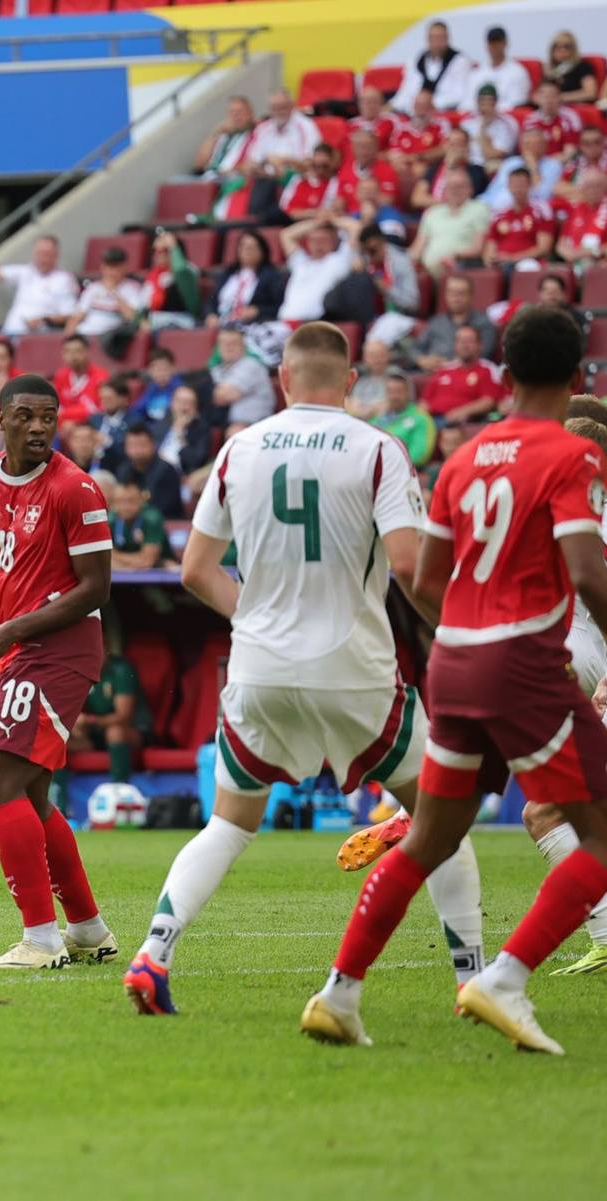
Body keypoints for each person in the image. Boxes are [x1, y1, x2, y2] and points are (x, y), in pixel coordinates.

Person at [124, 321, 483, 1017]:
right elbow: (408, 564)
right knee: (440, 819)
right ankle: (474, 976)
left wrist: (254, 616)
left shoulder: (237, 449)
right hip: (355, 670)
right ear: (350, 383)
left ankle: (154, 952)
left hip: (258, 668)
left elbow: (195, 570)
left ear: (284, 380)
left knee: (228, 823)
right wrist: (459, 631)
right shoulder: (377, 448)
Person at [301, 307, 607, 1055]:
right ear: (577, 378)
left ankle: (339, 993)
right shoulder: (573, 456)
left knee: (429, 837)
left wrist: (467, 631)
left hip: (454, 661)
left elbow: (422, 574)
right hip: (524, 660)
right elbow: (588, 569)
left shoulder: (465, 456)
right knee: (600, 831)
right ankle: (505, 978)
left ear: (501, 375)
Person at [340, 403, 607, 978]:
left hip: (505, 653)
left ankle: (427, 820)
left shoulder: (487, 475)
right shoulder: (573, 499)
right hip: (566, 655)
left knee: (546, 807)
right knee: (553, 808)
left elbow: (433, 572)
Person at [0, 373, 116, 969]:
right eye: (24, 415)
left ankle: (40, 940)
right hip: (17, 649)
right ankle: (86, 928)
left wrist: (8, 632)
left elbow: (96, 588)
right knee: (31, 791)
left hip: (62, 646)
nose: (38, 427)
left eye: (48, 416)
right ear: (0, 419)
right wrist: (6, 640)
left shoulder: (77, 489)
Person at [66, 648, 152, 783]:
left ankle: (120, 790)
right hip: (98, 733)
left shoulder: (121, 669)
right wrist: (76, 724)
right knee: (57, 739)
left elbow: (123, 717)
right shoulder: (80, 673)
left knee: (115, 732)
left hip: (134, 731)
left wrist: (90, 721)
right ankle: (57, 799)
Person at [408, 169, 490, 277]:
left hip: (460, 263)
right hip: (427, 267)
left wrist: (456, 256)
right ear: (445, 191)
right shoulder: (432, 212)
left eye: (460, 186)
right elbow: (418, 247)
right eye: (451, 186)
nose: (455, 190)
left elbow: (478, 247)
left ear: (470, 189)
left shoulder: (480, 209)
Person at [421, 324, 508, 423]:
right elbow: (424, 401)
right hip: (431, 420)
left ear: (480, 345)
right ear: (455, 345)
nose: (465, 345)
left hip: (459, 423)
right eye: (461, 341)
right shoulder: (444, 369)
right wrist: (422, 417)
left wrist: (464, 411)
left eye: (469, 341)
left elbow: (488, 402)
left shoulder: (487, 369)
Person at [277, 216, 354, 323]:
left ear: (334, 241)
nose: (318, 244)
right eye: (313, 240)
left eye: (323, 240)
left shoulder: (339, 260)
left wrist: (332, 220)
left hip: (313, 322)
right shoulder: (300, 262)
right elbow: (286, 234)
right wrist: (316, 222)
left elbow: (355, 228)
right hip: (284, 321)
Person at [413, 274, 497, 370]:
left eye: (461, 293)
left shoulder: (484, 323)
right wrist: (422, 360)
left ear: (471, 295)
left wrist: (448, 364)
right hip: (430, 372)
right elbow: (416, 349)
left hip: (465, 374)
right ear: (446, 295)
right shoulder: (436, 321)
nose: (456, 298)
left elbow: (484, 354)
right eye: (452, 293)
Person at [390, 21, 474, 113]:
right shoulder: (416, 61)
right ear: (427, 39)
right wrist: (393, 105)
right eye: (433, 37)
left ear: (447, 38)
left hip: (443, 112)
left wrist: (430, 105)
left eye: (440, 38)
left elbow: (459, 94)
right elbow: (406, 91)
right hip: (415, 113)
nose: (437, 42)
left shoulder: (459, 61)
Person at [206, 229, 284, 329]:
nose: (247, 250)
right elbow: (211, 301)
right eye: (243, 246)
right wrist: (211, 315)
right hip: (221, 324)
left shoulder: (270, 275)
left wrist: (258, 310)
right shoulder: (228, 274)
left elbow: (279, 305)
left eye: (252, 247)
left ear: (262, 251)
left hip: (251, 325)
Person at [483, 167, 556, 271]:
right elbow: (490, 248)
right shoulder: (499, 215)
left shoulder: (541, 211)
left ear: (530, 185)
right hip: (501, 265)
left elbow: (544, 248)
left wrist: (512, 258)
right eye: (513, 184)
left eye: (521, 184)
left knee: (524, 267)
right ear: (508, 186)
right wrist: (490, 261)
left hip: (529, 263)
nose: (517, 188)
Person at [210, 326, 277, 438]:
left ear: (243, 346)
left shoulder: (251, 365)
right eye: (224, 343)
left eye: (233, 343)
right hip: (226, 423)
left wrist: (205, 394)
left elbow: (224, 396)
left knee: (236, 432)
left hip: (256, 424)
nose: (228, 347)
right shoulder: (217, 369)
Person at [240, 88, 321, 180]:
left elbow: (310, 165)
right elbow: (251, 161)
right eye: (274, 108)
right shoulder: (263, 128)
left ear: (292, 106)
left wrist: (284, 160)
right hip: (264, 180)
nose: (279, 112)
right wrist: (254, 168)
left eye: (283, 107)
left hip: (294, 180)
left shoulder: (305, 127)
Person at [479, 126, 563, 211]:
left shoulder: (553, 165)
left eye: (537, 144)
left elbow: (542, 194)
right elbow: (493, 190)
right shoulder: (510, 163)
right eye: (528, 144)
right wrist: (480, 204)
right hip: (493, 210)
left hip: (524, 212)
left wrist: (533, 166)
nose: (532, 148)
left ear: (545, 146)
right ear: (521, 146)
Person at [65, 247, 143, 338]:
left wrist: (113, 291)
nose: (111, 272)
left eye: (115, 267)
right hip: (85, 334)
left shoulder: (133, 287)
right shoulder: (93, 288)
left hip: (111, 338)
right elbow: (77, 317)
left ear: (124, 267)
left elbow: (133, 318)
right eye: (108, 266)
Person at [370, 370, 436, 466]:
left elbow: (421, 454)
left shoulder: (421, 418)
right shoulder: (378, 417)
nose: (394, 396)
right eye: (390, 392)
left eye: (399, 392)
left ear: (408, 392)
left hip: (400, 472)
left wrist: (389, 466)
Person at [116, 425, 183, 519]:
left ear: (153, 445)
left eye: (142, 445)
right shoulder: (123, 470)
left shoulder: (167, 470)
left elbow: (166, 508)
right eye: (132, 445)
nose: (137, 450)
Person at [107, 478, 174, 572]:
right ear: (114, 503)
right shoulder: (110, 520)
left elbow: (147, 561)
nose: (126, 507)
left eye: (131, 501)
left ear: (142, 501)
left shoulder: (152, 518)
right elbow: (105, 559)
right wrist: (130, 567)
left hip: (157, 570)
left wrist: (116, 557)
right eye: (120, 501)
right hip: (124, 573)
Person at [138, 231, 200, 331]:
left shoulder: (187, 270)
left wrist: (173, 246)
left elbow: (180, 270)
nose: (158, 254)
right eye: (155, 250)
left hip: (179, 323)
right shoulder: (154, 275)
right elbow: (143, 307)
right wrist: (142, 322)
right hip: (155, 324)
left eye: (164, 250)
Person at [411, 128, 487, 208]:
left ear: (466, 147)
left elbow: (459, 199)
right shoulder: (434, 168)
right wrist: (441, 204)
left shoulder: (476, 171)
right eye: (450, 144)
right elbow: (417, 199)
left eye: (458, 144)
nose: (453, 148)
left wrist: (451, 165)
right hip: (433, 216)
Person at [463, 26, 532, 111]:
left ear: (505, 44)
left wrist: (490, 111)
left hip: (505, 120)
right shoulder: (478, 72)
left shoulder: (517, 71)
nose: (495, 47)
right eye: (491, 43)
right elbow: (467, 101)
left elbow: (517, 103)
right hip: (478, 119)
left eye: (498, 43)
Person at [153, 385, 212, 477]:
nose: (184, 408)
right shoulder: (162, 422)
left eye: (190, 403)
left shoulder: (202, 429)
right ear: (172, 403)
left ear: (196, 408)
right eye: (181, 402)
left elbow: (195, 462)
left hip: (180, 475)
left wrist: (179, 433)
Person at [51, 334, 109, 426]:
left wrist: (71, 419)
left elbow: (100, 410)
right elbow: (56, 408)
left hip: (91, 427)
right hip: (64, 427)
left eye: (78, 351)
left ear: (87, 352)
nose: (73, 356)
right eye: (67, 351)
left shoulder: (101, 376)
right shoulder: (61, 376)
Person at [387, 90, 450, 173]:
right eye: (418, 105)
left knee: (420, 169)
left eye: (425, 107)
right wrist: (407, 161)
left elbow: (445, 149)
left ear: (433, 108)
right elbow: (393, 153)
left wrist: (418, 157)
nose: (421, 111)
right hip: (405, 168)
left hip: (431, 169)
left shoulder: (441, 124)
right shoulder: (402, 128)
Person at [556, 169, 607, 271]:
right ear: (582, 189)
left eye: (598, 186)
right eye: (589, 187)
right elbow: (560, 244)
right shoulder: (575, 210)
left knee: (588, 266)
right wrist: (566, 252)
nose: (594, 190)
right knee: (548, 273)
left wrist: (592, 251)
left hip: (598, 263)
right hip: (572, 261)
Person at [336, 130, 401, 210]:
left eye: (368, 146)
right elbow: (340, 199)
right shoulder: (345, 169)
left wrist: (365, 200)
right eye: (359, 146)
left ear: (376, 148)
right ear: (352, 148)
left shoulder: (387, 170)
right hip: (351, 217)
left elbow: (388, 200)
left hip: (379, 214)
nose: (364, 151)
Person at [193, 95, 255, 177]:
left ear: (250, 114)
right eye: (231, 112)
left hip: (230, 177)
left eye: (239, 112)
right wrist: (214, 133)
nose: (235, 116)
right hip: (209, 175)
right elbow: (199, 164)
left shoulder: (254, 133)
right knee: (176, 180)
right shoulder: (222, 134)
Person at [460, 85, 518, 172]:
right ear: (477, 102)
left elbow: (491, 155)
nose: (486, 106)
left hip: (488, 166)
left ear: (495, 102)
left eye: (490, 102)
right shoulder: (467, 122)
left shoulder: (506, 124)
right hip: (468, 163)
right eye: (482, 101)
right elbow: (459, 148)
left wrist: (482, 128)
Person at [523, 80, 582, 162]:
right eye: (545, 96)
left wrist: (550, 165)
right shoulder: (530, 120)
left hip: (563, 163)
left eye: (553, 96)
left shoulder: (570, 117)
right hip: (537, 163)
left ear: (559, 97)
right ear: (537, 98)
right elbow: (528, 151)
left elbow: (570, 152)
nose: (549, 100)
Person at [278, 144, 340, 220]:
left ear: (331, 164)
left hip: (311, 223)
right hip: (288, 219)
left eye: (324, 166)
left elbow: (322, 213)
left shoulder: (333, 183)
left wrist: (303, 213)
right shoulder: (298, 179)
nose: (320, 170)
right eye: (315, 165)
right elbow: (283, 206)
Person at [88, 376, 134, 475]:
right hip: (90, 469)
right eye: (102, 398)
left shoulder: (134, 422)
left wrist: (108, 442)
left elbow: (131, 455)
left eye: (109, 398)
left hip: (117, 472)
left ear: (122, 398)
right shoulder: (94, 420)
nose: (104, 402)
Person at [539, 31, 598, 105]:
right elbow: (539, 93)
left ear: (573, 49)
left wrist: (561, 97)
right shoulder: (549, 69)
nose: (561, 50)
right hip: (552, 108)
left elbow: (590, 93)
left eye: (566, 46)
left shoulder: (582, 66)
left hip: (575, 106)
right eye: (556, 46)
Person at [555, 125, 607, 201]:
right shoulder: (576, 163)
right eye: (586, 143)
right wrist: (587, 196)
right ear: (580, 146)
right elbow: (557, 187)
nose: (592, 147)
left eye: (597, 142)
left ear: (603, 143)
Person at [131, 347, 182, 423]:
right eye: (157, 370)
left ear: (173, 369)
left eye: (164, 369)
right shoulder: (151, 388)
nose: (160, 374)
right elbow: (138, 411)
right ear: (150, 371)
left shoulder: (181, 389)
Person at [347, 339, 394, 418]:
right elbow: (353, 403)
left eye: (381, 355)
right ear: (365, 358)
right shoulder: (362, 378)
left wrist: (365, 412)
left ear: (389, 355)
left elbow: (391, 404)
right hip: (359, 420)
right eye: (372, 356)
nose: (377, 360)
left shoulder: (397, 377)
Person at [347, 85, 398, 155]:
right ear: (359, 104)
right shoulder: (351, 125)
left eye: (374, 102)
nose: (370, 106)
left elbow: (397, 149)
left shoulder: (392, 121)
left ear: (381, 103)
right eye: (366, 102)